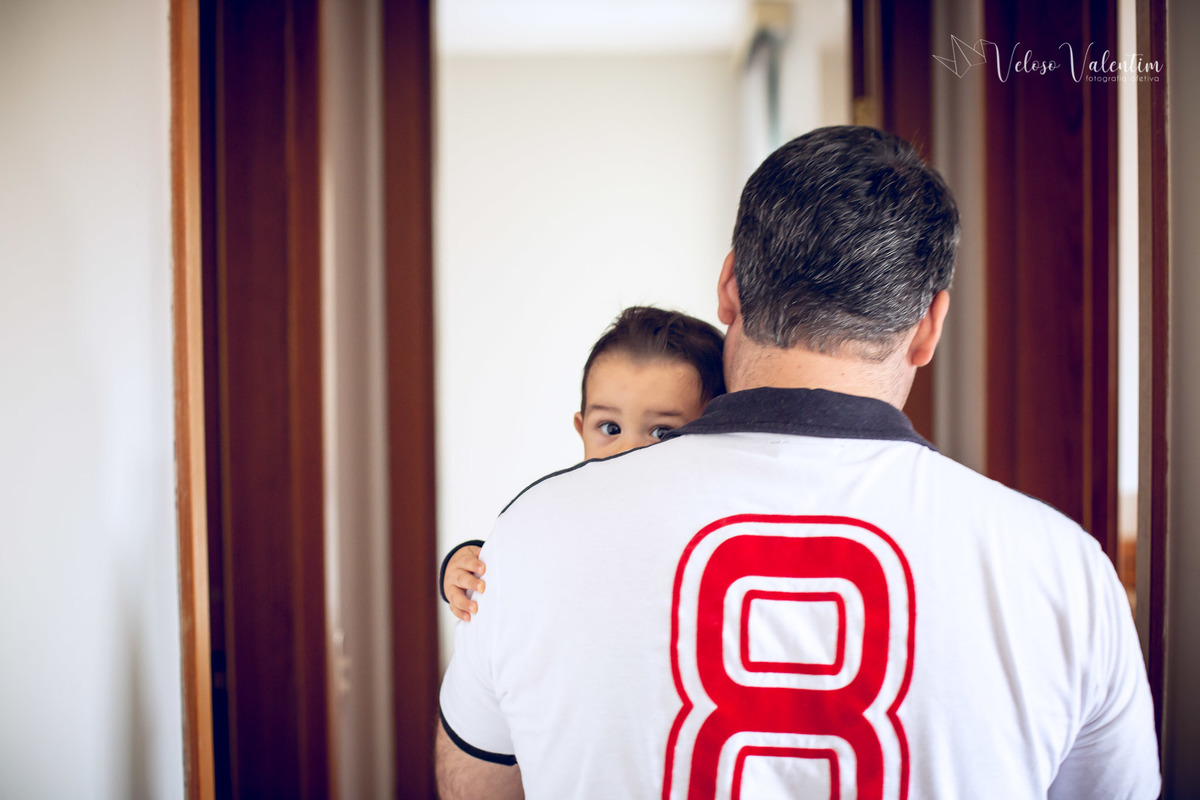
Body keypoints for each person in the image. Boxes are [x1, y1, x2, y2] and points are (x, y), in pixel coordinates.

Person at [435, 125, 1160, 799]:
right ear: (928, 327)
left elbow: (472, 780)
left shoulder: (530, 539)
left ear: (729, 287)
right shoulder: (1066, 573)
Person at [441, 305, 726, 622]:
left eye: (662, 432)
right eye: (610, 429)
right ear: (582, 429)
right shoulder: (561, 510)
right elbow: (529, 557)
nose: (628, 450)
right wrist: (470, 561)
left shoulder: (714, 520)